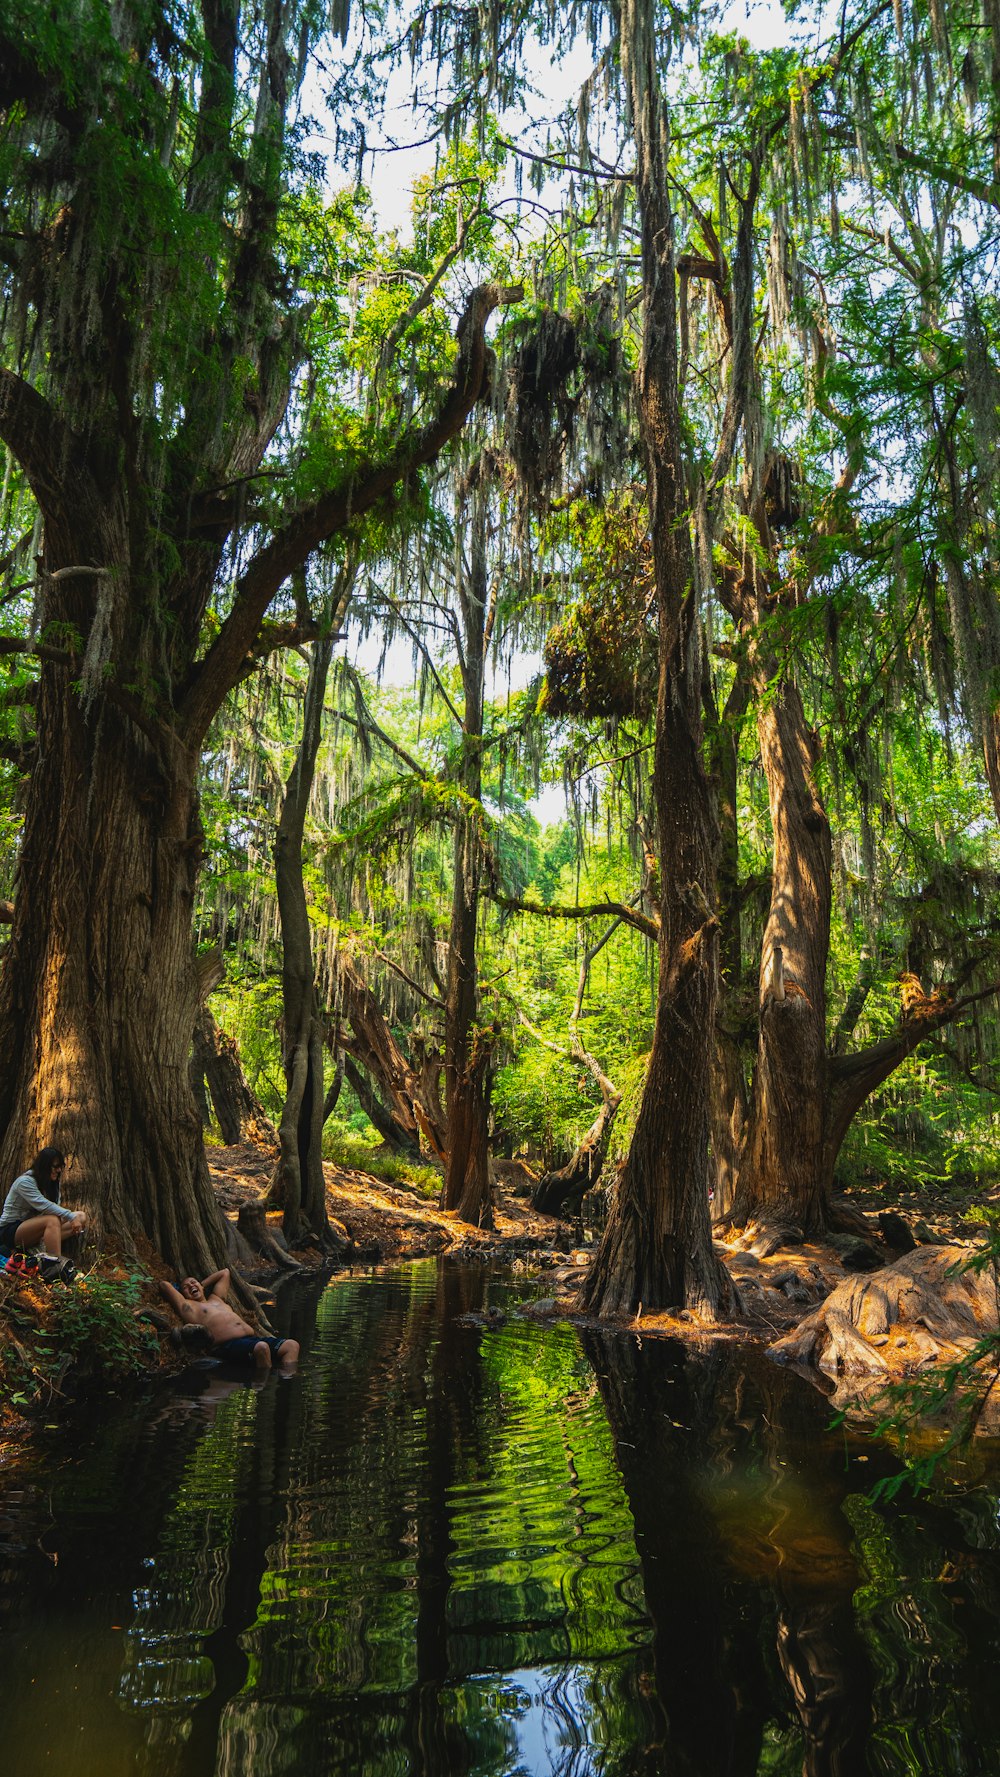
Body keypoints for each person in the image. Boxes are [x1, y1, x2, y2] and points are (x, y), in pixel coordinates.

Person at [159, 1268, 299, 1372]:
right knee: (262, 1348)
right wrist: (179, 1288)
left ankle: (286, 1379)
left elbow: (225, 1273)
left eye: (193, 1282)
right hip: (227, 1346)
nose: (191, 1286)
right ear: (183, 1294)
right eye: (186, 1287)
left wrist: (201, 1284)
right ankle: (266, 1383)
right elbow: (164, 1285)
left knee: (292, 1346)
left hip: (252, 1339)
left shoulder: (216, 1298)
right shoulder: (188, 1307)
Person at [0, 1147, 87, 1265]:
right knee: (52, 1220)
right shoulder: (25, 1182)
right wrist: (70, 1216)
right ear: (44, 1166)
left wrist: (72, 1217)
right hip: (11, 1231)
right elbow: (43, 1205)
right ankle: (55, 1266)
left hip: (35, 1229)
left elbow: (55, 1206)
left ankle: (38, 1248)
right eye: (55, 1166)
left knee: (81, 1216)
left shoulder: (51, 1183)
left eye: (61, 1166)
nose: (59, 1170)